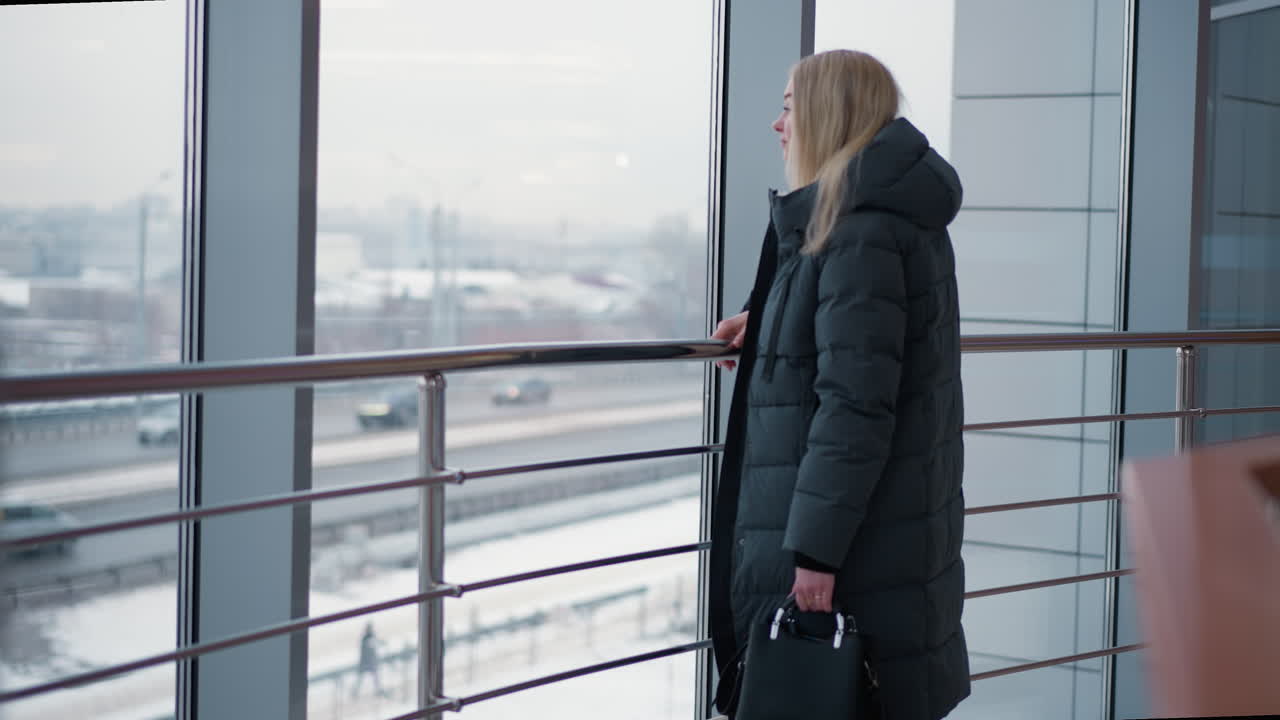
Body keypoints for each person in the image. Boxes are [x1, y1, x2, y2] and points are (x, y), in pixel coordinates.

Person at [708, 49, 969, 720]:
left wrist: (815, 552)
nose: (776, 124)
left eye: (789, 106)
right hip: (883, 530)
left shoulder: (860, 232)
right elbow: (857, 347)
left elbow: (855, 405)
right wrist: (767, 323)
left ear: (826, 113)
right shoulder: (875, 216)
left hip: (853, 547)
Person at [351, 622, 386, 699]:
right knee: (364, 679)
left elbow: (375, 643)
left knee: (373, 678)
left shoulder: (368, 637)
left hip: (367, 663)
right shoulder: (367, 638)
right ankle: (355, 693)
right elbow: (374, 643)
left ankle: (377, 691)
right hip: (366, 663)